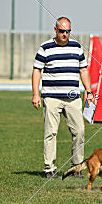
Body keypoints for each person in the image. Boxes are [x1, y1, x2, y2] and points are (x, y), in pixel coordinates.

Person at [32, 17, 95, 179]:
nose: (65, 34)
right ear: (55, 30)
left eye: (68, 31)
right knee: (51, 133)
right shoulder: (45, 48)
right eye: (62, 31)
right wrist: (35, 94)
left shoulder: (77, 47)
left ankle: (76, 167)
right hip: (51, 98)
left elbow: (84, 71)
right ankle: (49, 168)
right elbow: (37, 71)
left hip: (73, 99)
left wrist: (89, 90)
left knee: (79, 131)